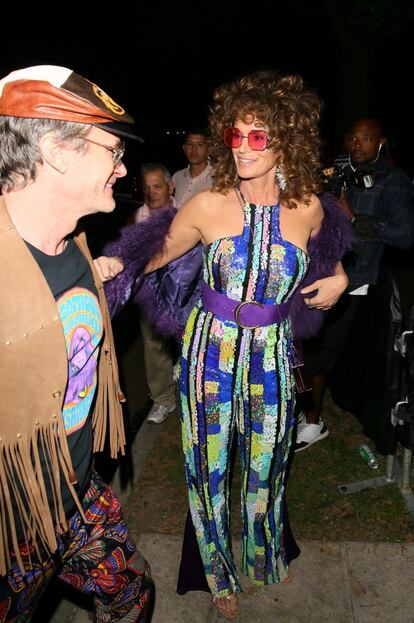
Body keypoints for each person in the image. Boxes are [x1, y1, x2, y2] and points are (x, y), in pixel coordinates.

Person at [141, 70, 351, 620]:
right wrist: (95, 267)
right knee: (209, 466)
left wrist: (340, 278)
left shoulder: (307, 205)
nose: (243, 147)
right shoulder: (208, 204)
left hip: (274, 356)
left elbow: (331, 254)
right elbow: (150, 255)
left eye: (257, 137)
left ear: (284, 141)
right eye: (235, 136)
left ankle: (262, 553)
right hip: (209, 351)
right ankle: (216, 571)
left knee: (268, 463)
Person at [0, 65, 152, 622]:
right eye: (111, 149)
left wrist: (100, 270)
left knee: (130, 592)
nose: (122, 165)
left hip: (76, 491)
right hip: (13, 523)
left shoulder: (74, 246)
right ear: (55, 151)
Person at [296, 117, 414, 452]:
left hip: (356, 282)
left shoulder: (395, 181)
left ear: (381, 142)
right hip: (315, 269)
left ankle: (314, 423)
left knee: (317, 353)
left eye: (366, 139)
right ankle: (304, 409)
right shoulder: (335, 170)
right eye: (352, 138)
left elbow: (405, 236)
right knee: (303, 347)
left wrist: (354, 219)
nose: (357, 144)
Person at [136, 163, 177, 424]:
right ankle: (163, 399)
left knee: (189, 344)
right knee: (153, 345)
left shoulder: (186, 215)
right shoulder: (136, 218)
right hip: (149, 292)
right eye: (147, 188)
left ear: (170, 186)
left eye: (158, 186)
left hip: (182, 291)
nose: (152, 193)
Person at [172, 127, 214, 207]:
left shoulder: (217, 179)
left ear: (208, 149)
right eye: (190, 144)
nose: (194, 149)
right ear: (184, 148)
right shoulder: (177, 177)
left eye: (200, 145)